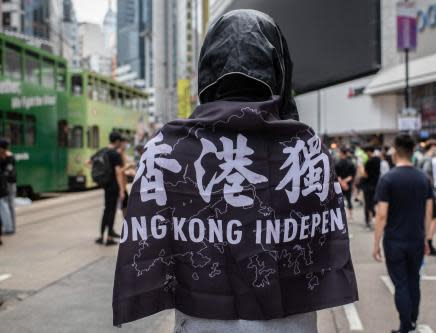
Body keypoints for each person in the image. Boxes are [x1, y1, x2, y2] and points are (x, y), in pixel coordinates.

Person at [113, 9, 358, 332]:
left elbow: (151, 238)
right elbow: (325, 244)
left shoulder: (167, 147)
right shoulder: (305, 148)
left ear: (207, 69)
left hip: (202, 322)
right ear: (280, 68)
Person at [373, 134, 433, 333]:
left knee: (400, 283)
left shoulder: (388, 179)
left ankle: (405, 326)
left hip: (395, 241)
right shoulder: (423, 178)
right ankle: (413, 321)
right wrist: (426, 238)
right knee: (413, 280)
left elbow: (381, 215)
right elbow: (428, 211)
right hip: (416, 238)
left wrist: (376, 243)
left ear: (396, 151)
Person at [95, 132, 125, 246]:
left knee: (106, 209)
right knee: (111, 210)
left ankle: (101, 235)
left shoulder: (102, 151)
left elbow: (88, 162)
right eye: (120, 141)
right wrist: (122, 189)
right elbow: (118, 173)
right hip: (113, 186)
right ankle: (109, 238)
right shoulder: (115, 154)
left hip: (105, 184)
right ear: (117, 141)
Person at [361, 146, 380, 229]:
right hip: (376, 184)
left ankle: (368, 221)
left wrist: (361, 169)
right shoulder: (378, 160)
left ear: (369, 152)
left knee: (368, 204)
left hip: (368, 185)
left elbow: (365, 175)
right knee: (373, 202)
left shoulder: (369, 162)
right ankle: (375, 218)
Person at [0, 138, 16, 234]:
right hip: (5, 184)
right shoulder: (4, 156)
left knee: (9, 205)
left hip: (9, 183)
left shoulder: (9, 156)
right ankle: (7, 226)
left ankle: (11, 227)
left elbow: (8, 170)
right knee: (5, 205)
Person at [336, 147, 356, 220]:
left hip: (340, 185)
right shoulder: (351, 163)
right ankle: (351, 215)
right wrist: (345, 182)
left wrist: (342, 182)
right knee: (349, 199)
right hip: (348, 184)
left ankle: (341, 215)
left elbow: (337, 175)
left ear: (341, 153)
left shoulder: (337, 163)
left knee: (340, 200)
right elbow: (352, 175)